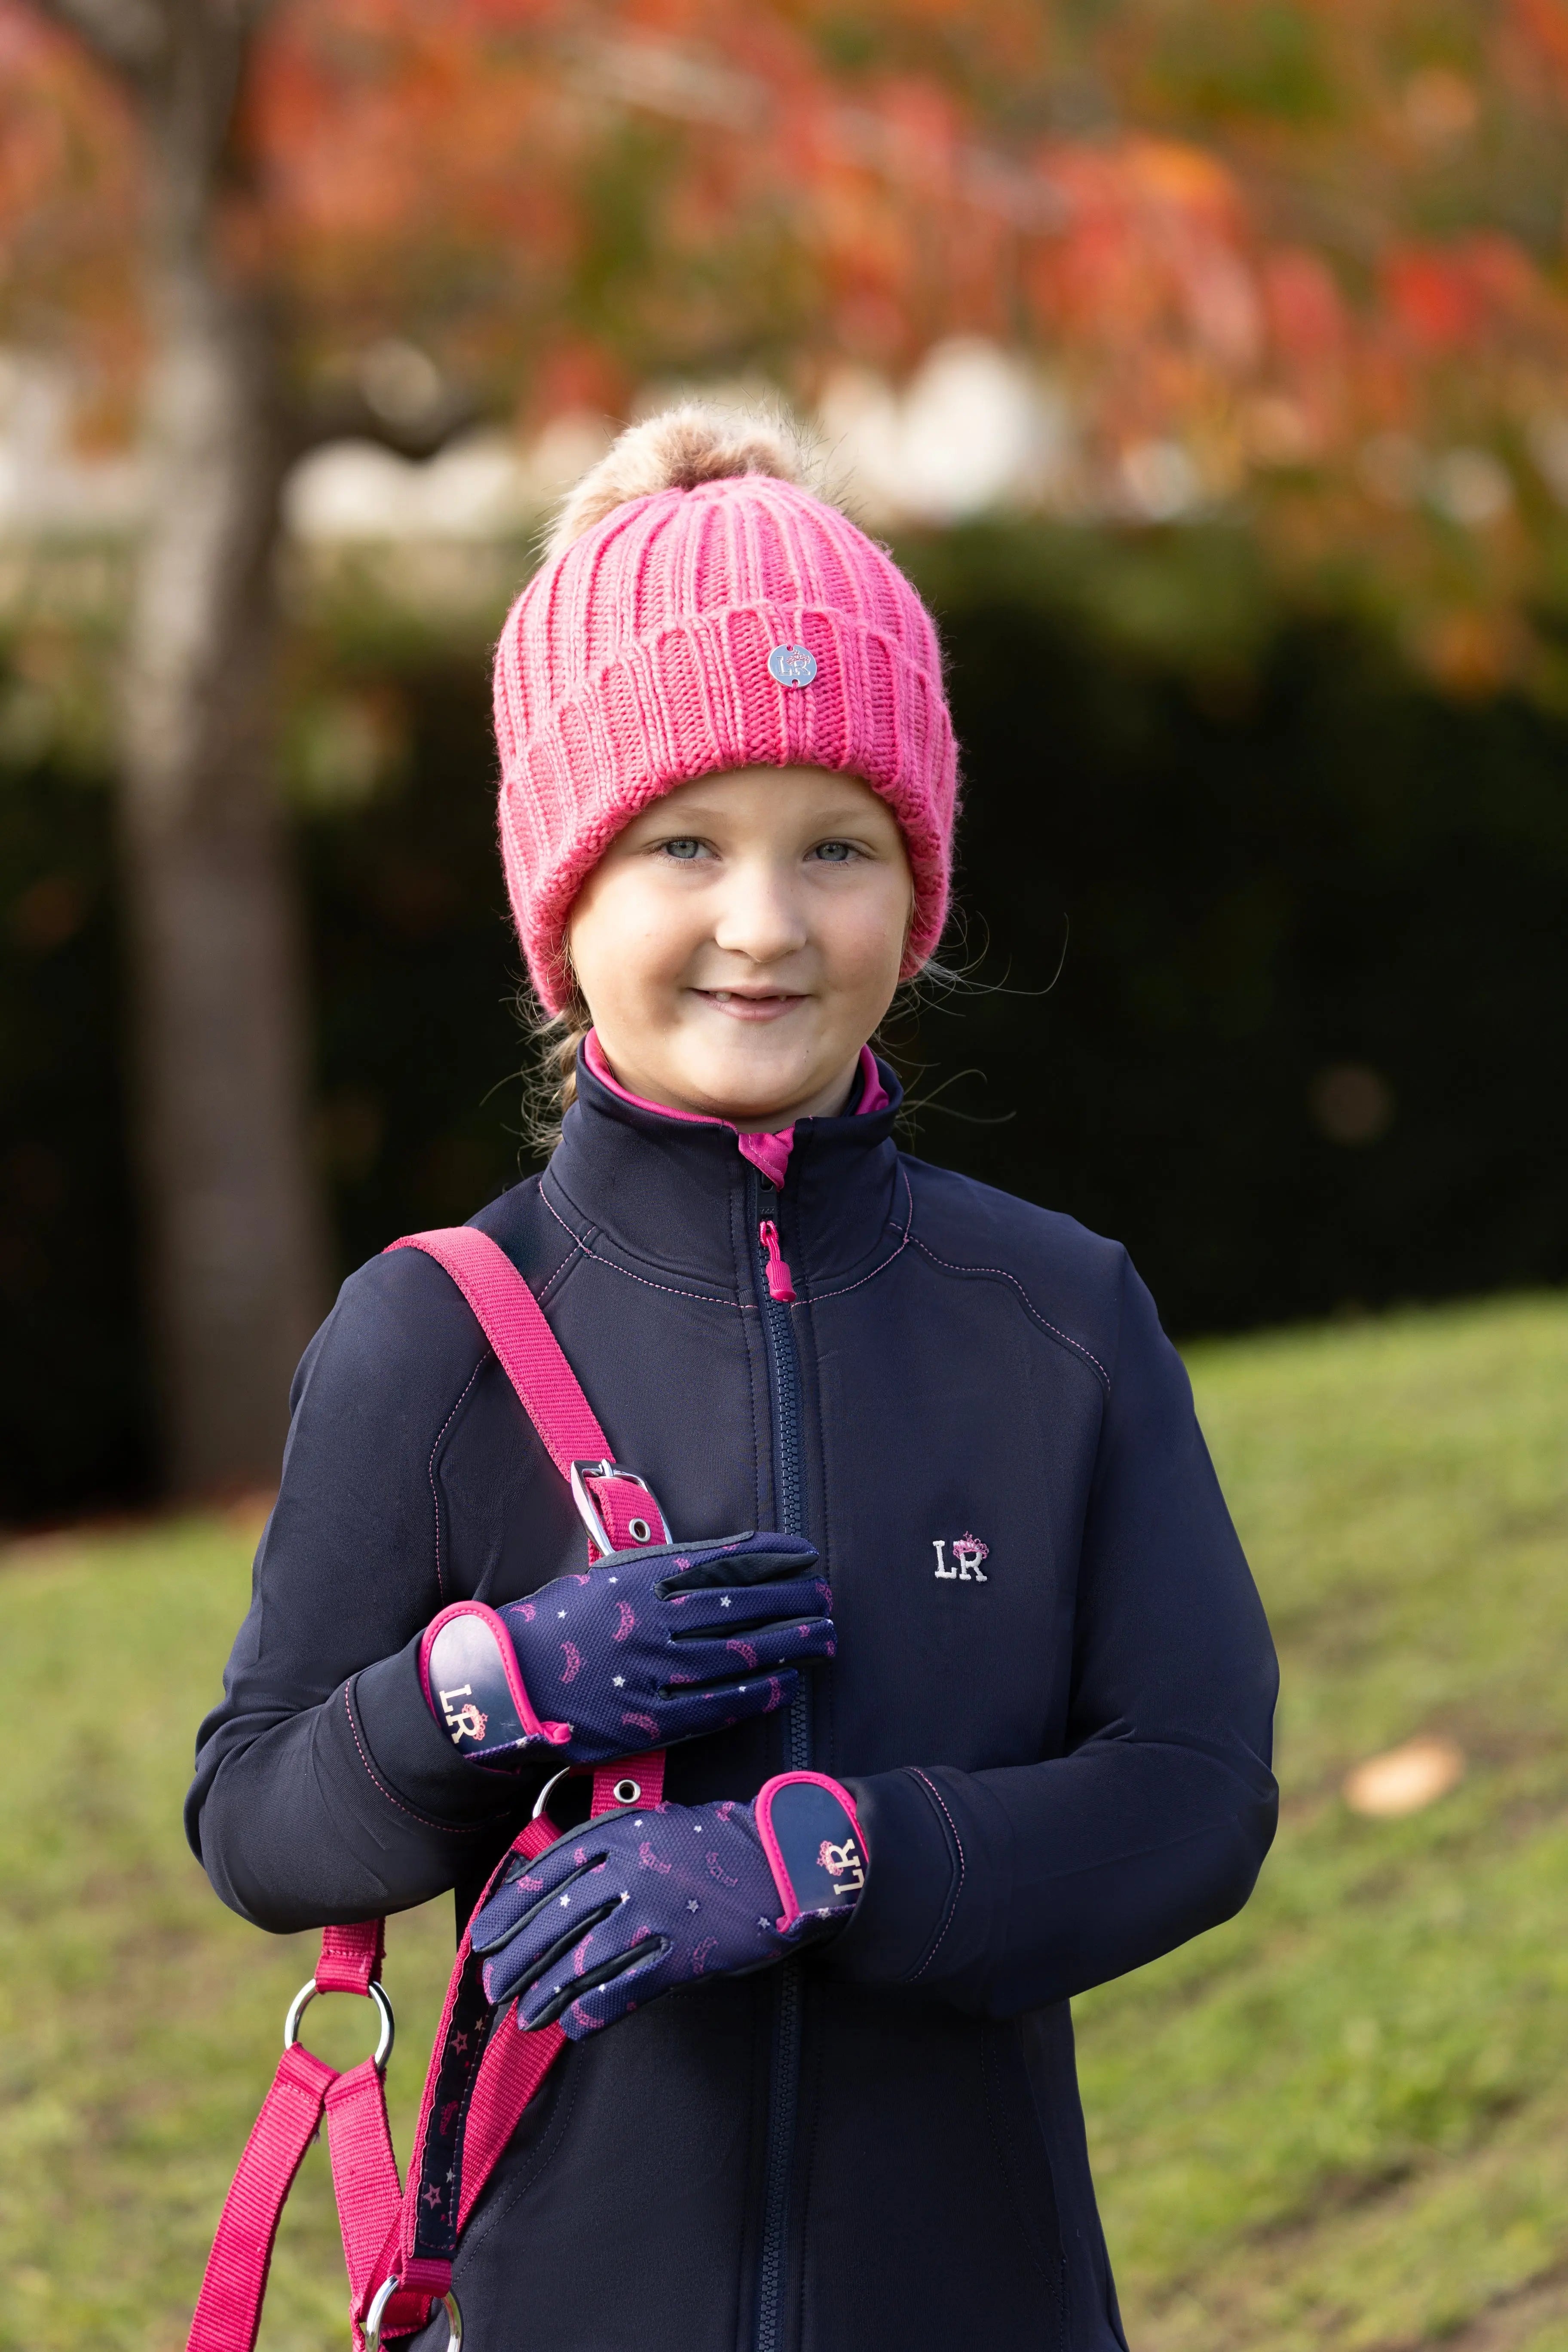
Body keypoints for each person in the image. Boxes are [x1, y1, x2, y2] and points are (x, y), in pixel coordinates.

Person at [187, 404, 1278, 2352]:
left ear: (916, 892)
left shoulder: (1062, 1315)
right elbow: (257, 1820)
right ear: (565, 895)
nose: (764, 925)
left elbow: (1195, 1796)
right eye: (684, 843)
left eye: (836, 847)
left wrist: (829, 1857)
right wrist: (487, 1687)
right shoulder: (435, 1330)